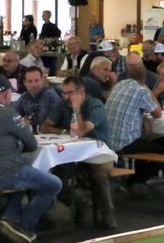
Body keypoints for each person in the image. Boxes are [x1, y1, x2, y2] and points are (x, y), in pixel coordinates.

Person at [0, 75, 60, 243]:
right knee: (54, 184)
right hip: (1, 173)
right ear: (7, 94)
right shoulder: (7, 113)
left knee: (22, 172)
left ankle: (10, 218)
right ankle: (23, 224)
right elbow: (32, 143)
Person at [42, 75, 117, 228]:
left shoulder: (95, 105)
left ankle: (107, 213)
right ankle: (78, 201)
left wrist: (76, 109)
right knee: (53, 175)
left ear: (81, 92)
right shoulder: (63, 104)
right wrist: (64, 132)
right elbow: (46, 126)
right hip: (73, 153)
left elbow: (81, 131)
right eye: (64, 93)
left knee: (99, 173)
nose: (66, 97)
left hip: (98, 152)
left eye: (69, 93)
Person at [103, 64, 164, 198]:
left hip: (109, 139)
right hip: (125, 142)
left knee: (153, 143)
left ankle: (138, 180)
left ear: (128, 75)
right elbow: (158, 113)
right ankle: (135, 181)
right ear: (144, 79)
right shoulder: (141, 91)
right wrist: (150, 91)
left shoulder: (118, 86)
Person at [13, 65, 61, 132]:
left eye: (36, 80)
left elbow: (41, 124)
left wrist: (26, 121)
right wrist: (23, 121)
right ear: (24, 82)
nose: (33, 85)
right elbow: (12, 117)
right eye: (29, 81)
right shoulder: (25, 96)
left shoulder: (49, 95)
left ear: (42, 80)